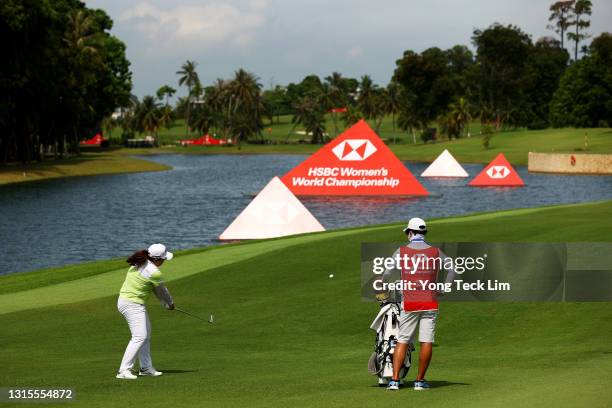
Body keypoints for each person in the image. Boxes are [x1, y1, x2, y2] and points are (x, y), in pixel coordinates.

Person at [376, 217, 456, 391]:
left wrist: (381, 282)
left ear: (411, 233)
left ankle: (395, 381)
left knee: (402, 341)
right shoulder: (435, 251)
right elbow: (452, 269)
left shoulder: (402, 251)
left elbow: (388, 272)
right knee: (426, 341)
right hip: (430, 302)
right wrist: (445, 288)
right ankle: (420, 381)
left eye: (407, 233)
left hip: (410, 303)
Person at [116, 243, 175, 380]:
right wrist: (170, 304)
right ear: (157, 259)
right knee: (140, 336)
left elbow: (154, 289)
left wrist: (165, 304)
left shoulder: (138, 263)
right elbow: (162, 292)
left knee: (146, 335)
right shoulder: (154, 272)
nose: (164, 261)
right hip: (131, 304)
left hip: (131, 302)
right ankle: (123, 370)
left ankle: (146, 368)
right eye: (164, 259)